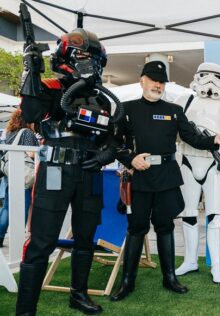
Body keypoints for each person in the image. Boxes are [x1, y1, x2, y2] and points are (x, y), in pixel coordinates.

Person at [111, 61, 220, 301]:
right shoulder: (125, 109)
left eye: (161, 81)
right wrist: (129, 159)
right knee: (137, 229)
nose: (157, 85)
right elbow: (113, 142)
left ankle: (170, 277)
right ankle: (127, 282)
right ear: (142, 81)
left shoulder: (174, 110)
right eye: (152, 80)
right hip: (139, 177)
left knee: (165, 227)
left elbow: (192, 138)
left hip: (167, 177)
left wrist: (216, 141)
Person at [17, 28, 121, 315]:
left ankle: (78, 294)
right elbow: (29, 114)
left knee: (86, 236)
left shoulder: (102, 100)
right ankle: (26, 310)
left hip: (90, 173)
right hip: (55, 170)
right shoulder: (50, 87)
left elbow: (112, 139)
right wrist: (30, 72)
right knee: (42, 240)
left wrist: (105, 155)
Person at [174, 62, 220, 283]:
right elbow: (174, 136)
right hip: (187, 161)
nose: (210, 81)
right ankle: (190, 260)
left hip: (214, 164)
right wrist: (177, 160)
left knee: (215, 216)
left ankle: (217, 265)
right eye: (205, 75)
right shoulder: (184, 101)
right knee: (188, 213)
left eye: (216, 76)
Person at [0, 110, 39, 248]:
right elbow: (30, 153)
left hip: (9, 173)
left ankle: (0, 236)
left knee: (7, 207)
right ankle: (18, 240)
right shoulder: (27, 133)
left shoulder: (10, 133)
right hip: (23, 174)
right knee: (23, 205)